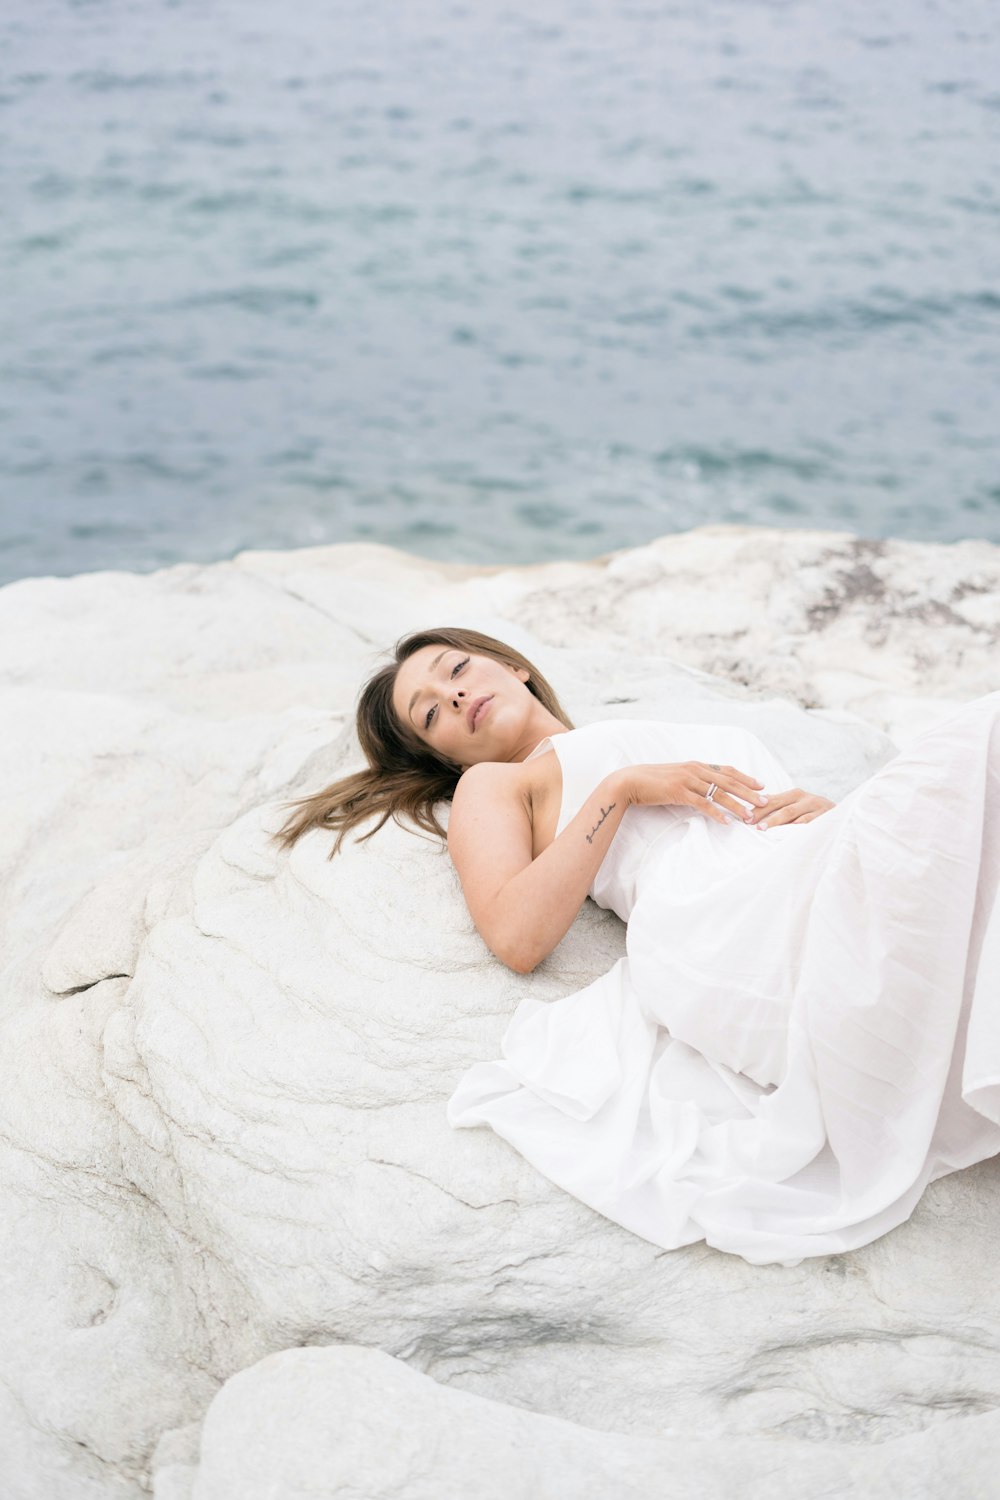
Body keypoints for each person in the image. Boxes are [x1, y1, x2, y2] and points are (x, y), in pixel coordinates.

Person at [273, 627, 1000, 1266]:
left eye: (456, 671)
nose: (455, 697)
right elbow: (516, 936)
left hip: (796, 886)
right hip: (716, 931)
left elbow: (770, 836)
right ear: (445, 756)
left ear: (510, 665)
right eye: (432, 713)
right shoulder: (498, 784)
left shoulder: (663, 728)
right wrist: (619, 792)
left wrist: (832, 819)